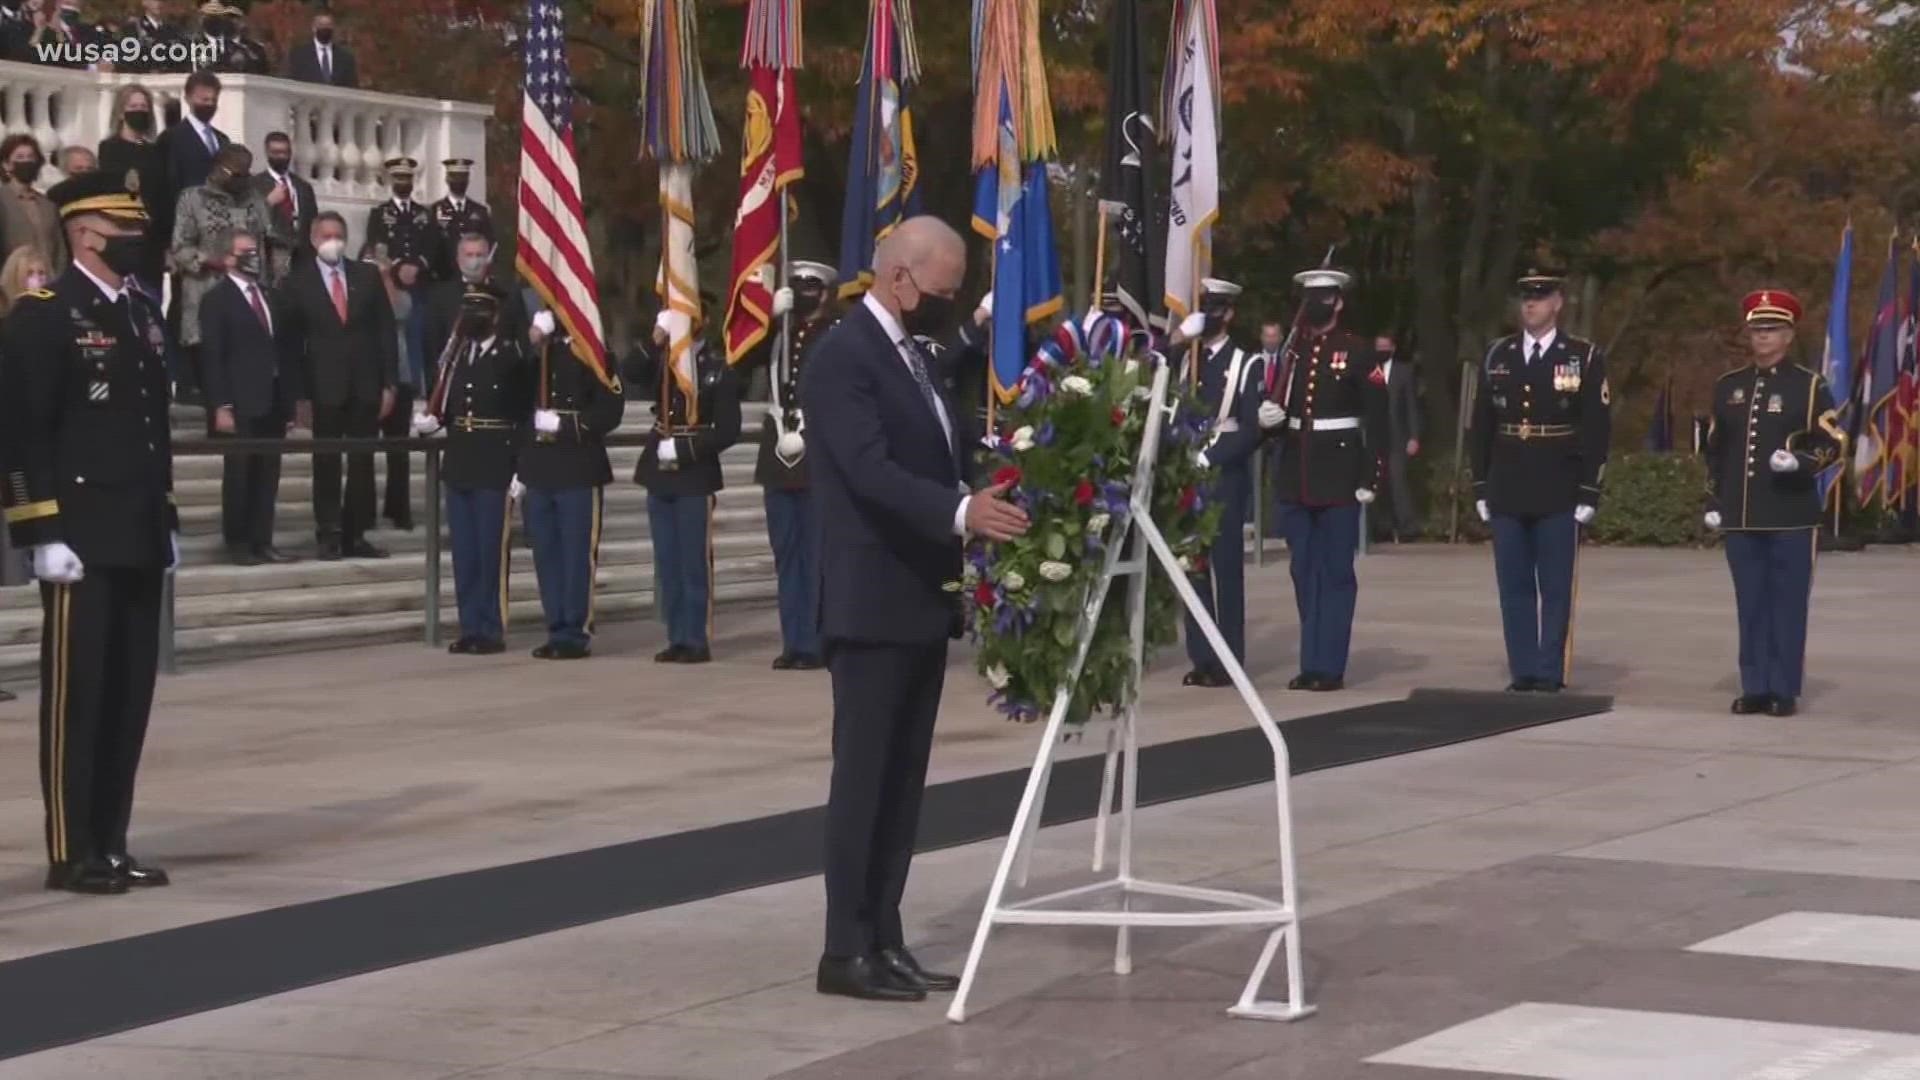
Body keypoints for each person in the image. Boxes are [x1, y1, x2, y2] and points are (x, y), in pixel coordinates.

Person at [801, 216, 1029, 1002]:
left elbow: (943, 452)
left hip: (920, 599)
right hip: (870, 599)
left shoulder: (916, 359)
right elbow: (870, 472)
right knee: (864, 779)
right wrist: (963, 514)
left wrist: (991, 487)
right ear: (899, 277)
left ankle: (883, 936)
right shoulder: (843, 358)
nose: (950, 303)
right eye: (943, 289)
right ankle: (843, 949)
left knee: (903, 784)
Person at [0, 169, 177, 895]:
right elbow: (22, 430)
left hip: (133, 525)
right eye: (123, 231)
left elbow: (149, 427)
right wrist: (41, 527)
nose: (136, 241)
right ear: (83, 233)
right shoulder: (43, 314)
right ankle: (71, 851)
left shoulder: (138, 314)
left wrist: (163, 514)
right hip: (77, 534)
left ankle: (111, 838)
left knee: (129, 696)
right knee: (79, 697)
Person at [1468, 268, 1612, 693]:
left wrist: (1590, 488)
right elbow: (1481, 427)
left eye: (1541, 296)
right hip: (1508, 482)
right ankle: (1523, 669)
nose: (1531, 303)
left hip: (1558, 483)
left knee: (1554, 586)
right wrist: (1480, 484)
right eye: (1526, 296)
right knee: (1513, 585)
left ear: (1558, 303)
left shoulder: (1582, 356)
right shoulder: (1499, 354)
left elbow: (1597, 428)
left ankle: (1549, 670)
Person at [1705, 290, 1839, 717]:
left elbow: (1833, 443)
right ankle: (1755, 685)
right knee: (1751, 604)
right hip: (1743, 516)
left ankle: (1783, 688)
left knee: (1788, 603)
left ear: (1789, 335)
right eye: (1757, 329)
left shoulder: (1809, 386)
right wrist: (1713, 498)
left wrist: (1799, 462)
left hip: (1790, 514)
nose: (1763, 337)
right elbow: (1715, 450)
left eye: (1773, 329)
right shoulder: (1729, 387)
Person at [1267, 264, 1388, 692]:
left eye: (1323, 297)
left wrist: (1370, 476)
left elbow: (1378, 419)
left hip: (1339, 473)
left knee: (1336, 572)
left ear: (1337, 301)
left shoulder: (1356, 351)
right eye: (1308, 298)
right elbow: (1284, 409)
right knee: (1304, 570)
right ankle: (1310, 661)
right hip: (1298, 473)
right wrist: (1271, 420)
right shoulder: (1294, 353)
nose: (1314, 305)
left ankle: (1330, 666)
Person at [1165, 279, 1281, 688]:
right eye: (1200, 307)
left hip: (1223, 478)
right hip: (1185, 477)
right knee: (1191, 570)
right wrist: (1178, 339)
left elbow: (1251, 429)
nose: (1205, 314)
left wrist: (1210, 456)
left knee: (1227, 571)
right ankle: (1202, 656)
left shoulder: (1246, 364)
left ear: (1228, 312)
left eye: (1212, 308)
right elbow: (1152, 379)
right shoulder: (1183, 359)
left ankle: (1229, 657)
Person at [413, 283, 529, 654]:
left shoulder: (511, 358)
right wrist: (435, 421)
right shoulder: (459, 356)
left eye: (480, 311)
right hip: (461, 461)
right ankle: (469, 626)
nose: (472, 319)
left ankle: (491, 628)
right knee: (464, 553)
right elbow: (452, 402)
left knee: (490, 551)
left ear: (495, 315)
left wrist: (521, 468)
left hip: (495, 461)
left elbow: (523, 415)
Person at [627, 305, 742, 664]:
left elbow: (728, 428)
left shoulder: (716, 367)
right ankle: (676, 635)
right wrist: (656, 337)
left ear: (703, 321)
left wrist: (687, 446)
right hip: (659, 469)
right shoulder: (662, 359)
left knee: (693, 560)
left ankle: (695, 638)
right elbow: (628, 373)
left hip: (694, 472)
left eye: (687, 314)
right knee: (668, 559)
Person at [740, 261, 837, 670]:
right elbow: (744, 363)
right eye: (795, 285)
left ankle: (816, 641)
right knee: (787, 553)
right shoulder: (780, 332)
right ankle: (793, 641)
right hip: (779, 453)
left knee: (816, 555)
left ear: (826, 293)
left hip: (817, 453)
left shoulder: (835, 335)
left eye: (809, 286)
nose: (801, 292)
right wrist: (767, 319)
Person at [285, 211, 397, 560]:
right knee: (327, 461)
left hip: (365, 383)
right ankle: (329, 532)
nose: (333, 240)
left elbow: (386, 331)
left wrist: (389, 383)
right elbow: (290, 342)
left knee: (362, 461)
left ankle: (356, 532)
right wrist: (298, 396)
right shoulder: (298, 281)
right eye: (327, 235)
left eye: (339, 234)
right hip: (324, 385)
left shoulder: (366, 275)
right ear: (315, 240)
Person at [518, 315, 624, 660]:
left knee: (576, 555)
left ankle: (575, 632)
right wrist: (531, 344)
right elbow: (508, 388)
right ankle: (555, 626)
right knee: (546, 554)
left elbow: (610, 411)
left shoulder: (595, 353)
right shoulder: (536, 353)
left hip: (578, 465)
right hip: (539, 467)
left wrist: (565, 425)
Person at [199, 229, 297, 566]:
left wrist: (288, 404)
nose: (253, 257)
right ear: (228, 257)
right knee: (240, 473)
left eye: (255, 251)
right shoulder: (216, 300)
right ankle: (238, 542)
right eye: (245, 252)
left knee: (268, 474)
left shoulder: (270, 296)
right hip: (239, 402)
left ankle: (262, 540)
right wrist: (220, 405)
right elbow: (213, 356)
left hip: (271, 399)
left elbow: (283, 351)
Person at [170, 143, 286, 397]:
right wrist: (214, 260)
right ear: (219, 169)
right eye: (237, 174)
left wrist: (277, 278)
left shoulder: (255, 199)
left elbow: (271, 241)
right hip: (206, 294)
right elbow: (180, 248)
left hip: (251, 299)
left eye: (246, 174)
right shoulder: (192, 198)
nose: (242, 179)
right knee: (214, 384)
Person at [97, 84, 168, 294]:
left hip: (152, 241)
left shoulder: (155, 151)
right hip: (123, 237)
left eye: (144, 106)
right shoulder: (109, 148)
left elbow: (162, 195)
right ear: (121, 111)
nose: (139, 110)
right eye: (133, 105)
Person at [374, 251, 427, 531]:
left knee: (399, 449)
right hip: (369, 379)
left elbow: (400, 310)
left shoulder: (402, 296)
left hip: (401, 378)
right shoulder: (358, 295)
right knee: (365, 449)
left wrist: (386, 279)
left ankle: (398, 508)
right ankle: (363, 510)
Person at [425, 232, 527, 364]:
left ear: (489, 258)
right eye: (469, 255)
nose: (474, 261)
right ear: (458, 259)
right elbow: (432, 348)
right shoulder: (440, 297)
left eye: (479, 255)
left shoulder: (507, 294)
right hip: (456, 377)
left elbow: (520, 339)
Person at [1374, 332, 1422, 541]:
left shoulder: (1404, 372)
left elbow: (1412, 406)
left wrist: (1414, 436)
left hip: (1398, 436)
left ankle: (1407, 528)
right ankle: (1381, 527)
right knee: (1378, 483)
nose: (1382, 351)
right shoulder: (1369, 371)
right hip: (1375, 437)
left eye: (1385, 347)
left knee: (1398, 480)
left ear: (1392, 348)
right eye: (1378, 347)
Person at [363, 157, 439, 278]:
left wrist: (419, 265)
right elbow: (374, 243)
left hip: (419, 276)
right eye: (399, 178)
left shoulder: (425, 213)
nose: (403, 182)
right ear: (392, 180)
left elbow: (432, 244)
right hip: (390, 275)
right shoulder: (379, 213)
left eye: (407, 178)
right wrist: (396, 265)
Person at [251, 131, 315, 273]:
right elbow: (249, 219)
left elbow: (313, 222)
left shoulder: (303, 187)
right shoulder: (255, 185)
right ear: (267, 152)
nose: (281, 157)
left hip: (303, 256)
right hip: (272, 256)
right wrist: (268, 201)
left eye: (285, 152)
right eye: (276, 152)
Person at [1, 134, 64, 275]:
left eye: (31, 157)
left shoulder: (48, 205)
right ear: (7, 164)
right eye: (20, 157)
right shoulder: (2, 201)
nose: (27, 161)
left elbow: (60, 249)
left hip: (48, 281)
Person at [428, 158, 491, 281]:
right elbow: (430, 244)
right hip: (444, 276)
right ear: (447, 179)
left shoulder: (479, 210)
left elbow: (489, 242)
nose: (459, 181)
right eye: (455, 177)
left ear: (468, 180)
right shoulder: (435, 210)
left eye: (463, 177)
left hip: (474, 274)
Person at [283, 8, 356, 87]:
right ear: (314, 28)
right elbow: (291, 83)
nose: (325, 28)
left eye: (328, 25)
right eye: (321, 25)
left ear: (333, 28)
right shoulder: (298, 56)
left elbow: (352, 86)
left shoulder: (346, 58)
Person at [195, 0, 266, 74]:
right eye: (227, 17)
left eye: (234, 17)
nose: (230, 21)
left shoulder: (254, 49)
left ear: (243, 21)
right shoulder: (199, 45)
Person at [123, 0, 182, 73]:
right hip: (144, 77)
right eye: (155, 1)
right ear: (144, 2)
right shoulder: (134, 28)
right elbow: (129, 58)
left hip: (170, 78)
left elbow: (179, 57)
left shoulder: (173, 29)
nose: (159, 4)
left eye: (162, 1)